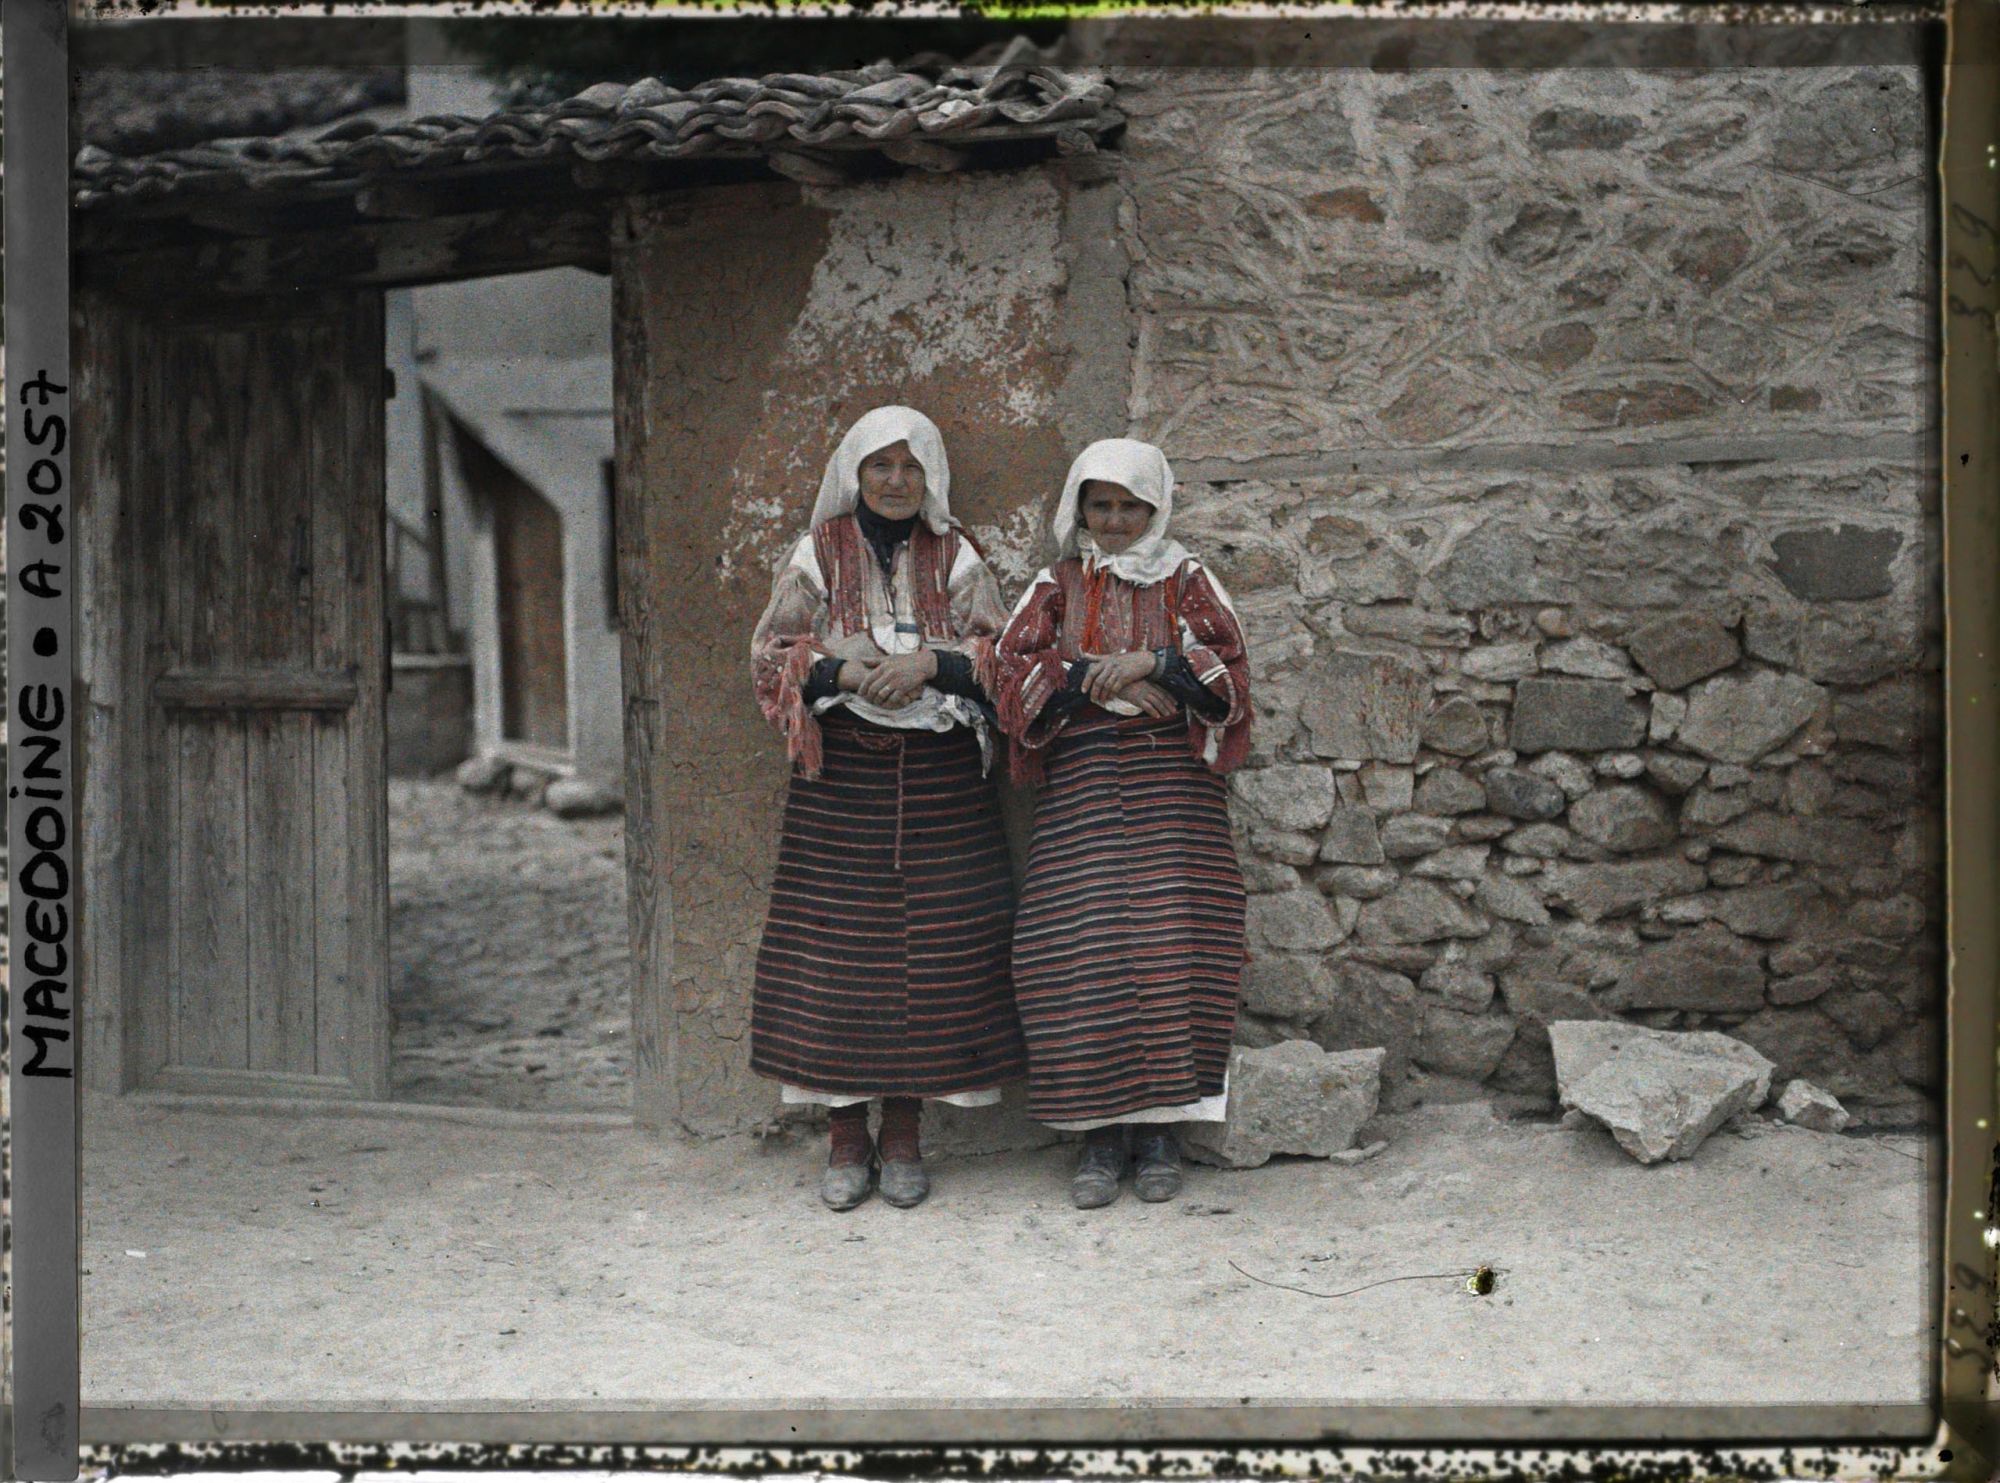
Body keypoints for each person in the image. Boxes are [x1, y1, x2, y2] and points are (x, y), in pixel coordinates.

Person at [749, 406, 1027, 1211]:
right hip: (840, 780)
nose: (897, 481)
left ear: (931, 475)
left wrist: (932, 667)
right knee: (837, 959)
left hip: (941, 777)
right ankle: (845, 1136)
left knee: (931, 959)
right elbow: (770, 652)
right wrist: (841, 675)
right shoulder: (818, 553)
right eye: (881, 467)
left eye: (911, 467)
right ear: (855, 473)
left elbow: (1002, 653)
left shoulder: (957, 553)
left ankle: (903, 1132)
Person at [996, 438, 1252, 1209]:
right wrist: (1096, 679)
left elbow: (1230, 672)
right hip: (1082, 782)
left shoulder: (1188, 578)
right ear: (1079, 507)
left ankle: (1161, 1131)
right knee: (1079, 944)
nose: (1114, 520)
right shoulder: (1057, 582)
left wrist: (1155, 664)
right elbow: (1009, 674)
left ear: (1155, 507)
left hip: (1171, 786)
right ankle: (1099, 1135)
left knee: (1176, 941)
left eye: (1129, 506)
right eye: (1099, 505)